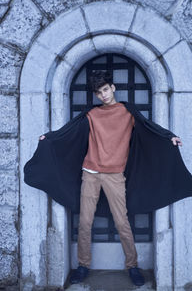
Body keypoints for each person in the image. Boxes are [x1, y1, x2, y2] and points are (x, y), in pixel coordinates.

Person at [39, 70, 182, 287]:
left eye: (105, 90)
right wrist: (49, 137)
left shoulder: (128, 112)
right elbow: (68, 131)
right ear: (96, 95)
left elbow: (149, 128)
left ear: (113, 88)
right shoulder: (92, 114)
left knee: (122, 222)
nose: (103, 95)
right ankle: (83, 265)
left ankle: (132, 266)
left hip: (115, 175)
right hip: (90, 173)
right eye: (99, 92)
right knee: (85, 222)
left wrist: (169, 137)